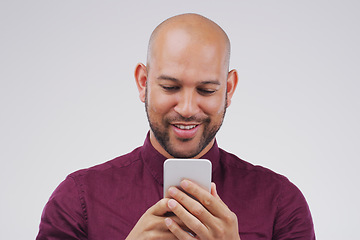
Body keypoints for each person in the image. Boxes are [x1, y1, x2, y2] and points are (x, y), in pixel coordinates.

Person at [37, 13, 315, 240]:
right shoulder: (76, 199)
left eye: (206, 90)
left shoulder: (281, 203)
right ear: (143, 82)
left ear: (228, 89)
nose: (187, 108)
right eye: (170, 87)